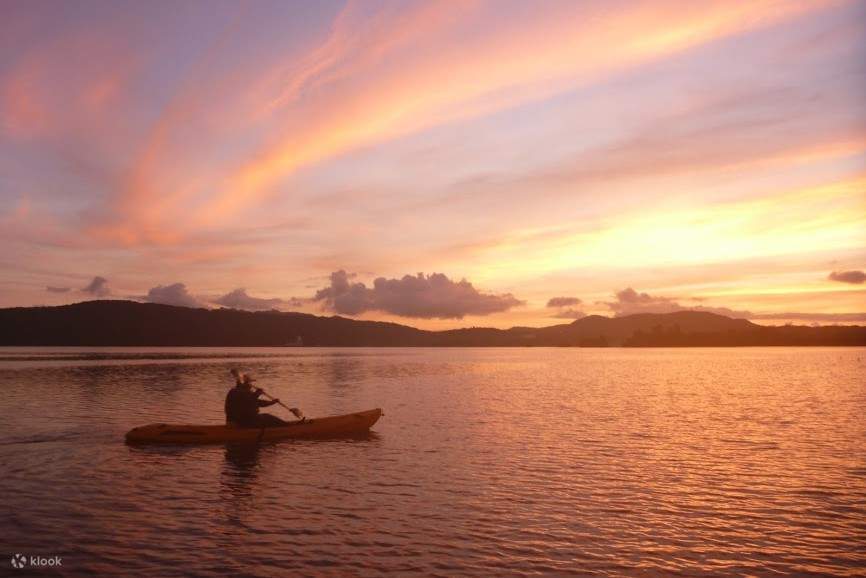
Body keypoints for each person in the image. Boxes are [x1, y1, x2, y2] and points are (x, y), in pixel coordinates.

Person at [225, 371, 289, 428]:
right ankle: (287, 428)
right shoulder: (238, 392)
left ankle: (285, 426)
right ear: (245, 383)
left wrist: (272, 402)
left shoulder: (239, 391)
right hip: (242, 422)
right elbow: (248, 401)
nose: (251, 385)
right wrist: (257, 394)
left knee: (266, 417)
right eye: (250, 382)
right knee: (268, 417)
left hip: (240, 420)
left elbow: (258, 402)